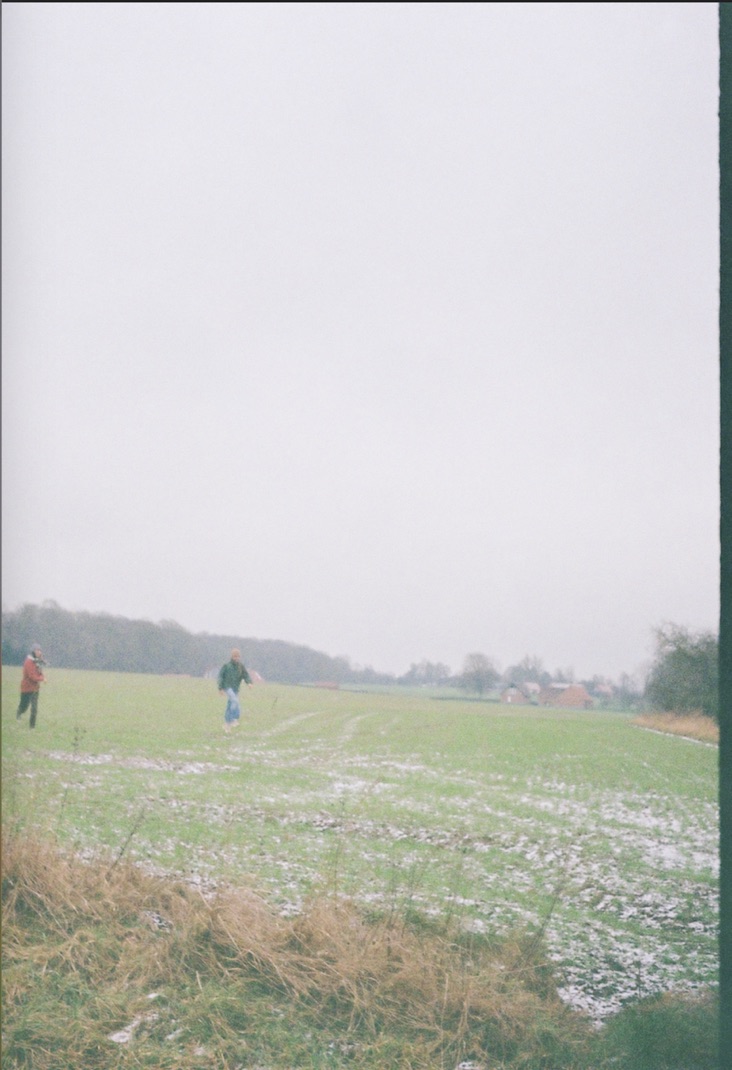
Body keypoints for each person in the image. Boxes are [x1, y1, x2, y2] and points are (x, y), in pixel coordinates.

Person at [217, 648, 252, 732]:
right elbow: (221, 676)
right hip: (227, 687)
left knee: (230, 705)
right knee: (235, 701)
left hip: (235, 688)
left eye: (238, 656)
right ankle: (234, 719)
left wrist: (249, 683)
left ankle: (227, 724)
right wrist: (220, 688)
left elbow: (245, 675)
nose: (236, 658)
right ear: (232, 657)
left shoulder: (241, 667)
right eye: (235, 656)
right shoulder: (226, 666)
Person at [16, 645, 46, 729]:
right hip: (26, 688)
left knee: (34, 709)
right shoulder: (28, 662)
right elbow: (32, 676)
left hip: (35, 689)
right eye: (37, 650)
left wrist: (42, 676)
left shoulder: (37, 662)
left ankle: (32, 727)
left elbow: (40, 673)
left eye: (40, 650)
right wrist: (42, 679)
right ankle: (19, 712)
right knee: (24, 706)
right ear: (33, 651)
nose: (39, 652)